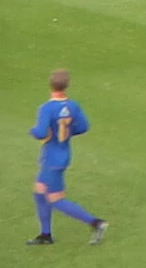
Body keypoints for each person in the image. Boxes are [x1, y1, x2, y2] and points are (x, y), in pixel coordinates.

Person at [27, 70, 108, 246]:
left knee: (55, 199)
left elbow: (40, 132)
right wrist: (66, 133)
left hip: (51, 159)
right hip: (63, 153)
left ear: (50, 85)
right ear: (66, 86)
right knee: (39, 192)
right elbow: (83, 126)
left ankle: (96, 223)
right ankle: (45, 234)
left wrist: (32, 131)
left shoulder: (46, 108)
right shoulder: (72, 106)